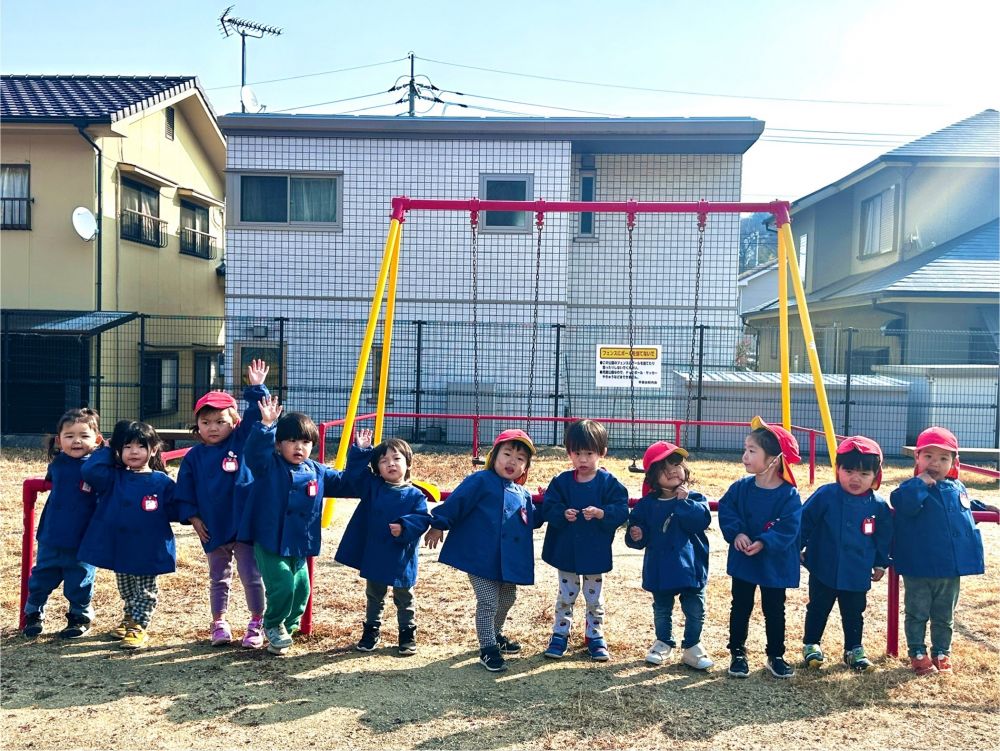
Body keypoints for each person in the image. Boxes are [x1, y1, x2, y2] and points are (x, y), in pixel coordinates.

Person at [425, 429, 542, 672]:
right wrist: (438, 524)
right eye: (507, 454)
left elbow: (531, 520)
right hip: (479, 556)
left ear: (525, 467)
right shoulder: (480, 481)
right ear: (494, 457)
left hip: (507, 560)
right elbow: (457, 502)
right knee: (488, 601)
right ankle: (487, 647)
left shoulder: (522, 494)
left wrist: (553, 506)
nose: (512, 461)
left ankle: (495, 633)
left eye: (520, 459)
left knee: (508, 598)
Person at [239, 396, 345, 655]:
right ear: (278, 444)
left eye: (306, 442)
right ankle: (273, 625)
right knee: (283, 584)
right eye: (292, 441)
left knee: (302, 590)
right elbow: (254, 454)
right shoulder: (268, 465)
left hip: (299, 541)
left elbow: (345, 481)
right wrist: (265, 425)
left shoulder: (316, 470)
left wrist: (364, 456)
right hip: (270, 540)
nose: (299, 447)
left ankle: (287, 627)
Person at [175, 360, 270, 649]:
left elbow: (256, 418)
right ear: (197, 426)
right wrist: (193, 517)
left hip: (243, 524)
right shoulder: (194, 456)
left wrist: (257, 388)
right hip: (213, 526)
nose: (212, 428)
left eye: (220, 422)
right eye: (206, 423)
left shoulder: (241, 442)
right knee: (218, 577)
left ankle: (256, 622)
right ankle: (219, 622)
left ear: (234, 423)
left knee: (251, 576)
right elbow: (185, 490)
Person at [890, 426, 991, 675]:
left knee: (945, 614)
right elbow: (902, 503)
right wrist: (920, 483)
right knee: (917, 612)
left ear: (954, 462)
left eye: (943, 458)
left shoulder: (957, 487)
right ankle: (917, 651)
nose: (935, 463)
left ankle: (942, 651)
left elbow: (965, 506)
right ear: (917, 457)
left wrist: (986, 507)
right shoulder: (910, 487)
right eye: (929, 456)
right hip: (919, 567)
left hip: (949, 567)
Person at [77, 420, 178, 649]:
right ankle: (130, 617)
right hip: (120, 545)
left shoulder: (161, 482)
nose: (134, 452)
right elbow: (89, 470)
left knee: (145, 590)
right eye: (127, 446)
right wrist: (106, 448)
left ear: (153, 450)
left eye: (141, 446)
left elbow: (177, 508)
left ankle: (139, 626)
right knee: (126, 588)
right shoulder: (114, 477)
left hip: (147, 547)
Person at [718, 416, 803, 679]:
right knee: (740, 605)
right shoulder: (740, 488)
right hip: (745, 560)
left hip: (773, 563)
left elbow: (789, 526)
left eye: (752, 451)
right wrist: (737, 533)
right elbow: (727, 509)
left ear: (774, 460)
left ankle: (776, 654)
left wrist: (765, 541)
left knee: (775, 608)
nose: (744, 456)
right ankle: (738, 652)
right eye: (745, 449)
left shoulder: (789, 494)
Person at [335, 428, 432, 656]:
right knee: (374, 595)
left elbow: (422, 519)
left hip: (401, 556)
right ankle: (371, 631)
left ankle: (407, 633)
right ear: (377, 468)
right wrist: (360, 451)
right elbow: (354, 476)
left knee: (404, 596)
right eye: (383, 460)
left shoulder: (415, 495)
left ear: (408, 463)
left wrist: (405, 526)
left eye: (397, 459)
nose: (391, 464)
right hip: (376, 553)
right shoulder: (374, 487)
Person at [800, 436, 893, 673]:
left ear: (875, 476)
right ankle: (811, 644)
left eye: (864, 473)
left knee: (854, 611)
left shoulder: (878, 505)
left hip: (857, 569)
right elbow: (804, 521)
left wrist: (881, 563)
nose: (855, 478)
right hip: (824, 565)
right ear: (837, 470)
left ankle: (853, 649)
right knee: (818, 607)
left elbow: (883, 536)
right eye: (848, 470)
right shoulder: (825, 495)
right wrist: (797, 548)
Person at [540, 419, 628, 661]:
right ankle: (560, 633)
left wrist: (602, 513)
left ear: (602, 453)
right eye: (577, 453)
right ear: (569, 453)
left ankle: (595, 634)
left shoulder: (609, 483)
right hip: (566, 550)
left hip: (594, 551)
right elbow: (549, 506)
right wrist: (561, 513)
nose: (583, 459)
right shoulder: (562, 481)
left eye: (589, 453)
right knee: (566, 594)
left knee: (594, 596)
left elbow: (621, 510)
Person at [625, 440, 714, 670]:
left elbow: (700, 521)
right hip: (660, 566)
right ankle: (663, 641)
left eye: (677, 464)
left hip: (691, 566)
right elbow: (637, 530)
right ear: (653, 476)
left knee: (695, 608)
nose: (673, 470)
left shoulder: (694, 498)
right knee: (662, 608)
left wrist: (684, 503)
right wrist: (636, 534)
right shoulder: (647, 504)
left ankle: (693, 646)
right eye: (664, 466)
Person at [22, 408, 104, 639]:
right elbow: (50, 480)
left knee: (79, 581)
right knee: (41, 577)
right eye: (69, 436)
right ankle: (34, 613)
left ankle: (79, 616)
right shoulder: (58, 464)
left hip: (84, 537)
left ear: (97, 439)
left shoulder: (98, 466)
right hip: (52, 534)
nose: (76, 441)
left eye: (84, 435)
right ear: (59, 441)